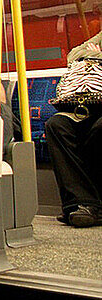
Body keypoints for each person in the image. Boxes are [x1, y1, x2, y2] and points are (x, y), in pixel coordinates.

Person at [44, 30, 102, 228]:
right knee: (57, 125)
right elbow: (73, 54)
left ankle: (93, 205)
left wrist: (93, 54)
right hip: (88, 105)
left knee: (99, 129)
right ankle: (79, 203)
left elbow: (83, 55)